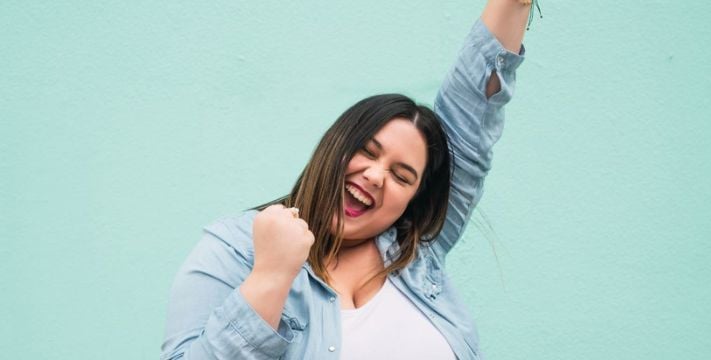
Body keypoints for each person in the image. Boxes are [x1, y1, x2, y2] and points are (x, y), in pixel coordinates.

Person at [161, 1, 532, 359]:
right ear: (334, 144)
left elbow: (472, 110)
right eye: (367, 152)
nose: (375, 176)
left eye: (402, 177)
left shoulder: (419, 253)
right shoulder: (236, 249)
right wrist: (270, 277)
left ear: (412, 200)